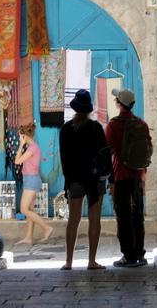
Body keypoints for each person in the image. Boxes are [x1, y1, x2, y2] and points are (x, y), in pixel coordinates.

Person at [59, 89, 109, 270]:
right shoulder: (96, 128)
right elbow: (105, 153)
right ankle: (91, 261)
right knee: (95, 219)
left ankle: (69, 261)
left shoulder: (66, 129)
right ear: (88, 110)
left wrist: (68, 181)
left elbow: (64, 158)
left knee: (73, 219)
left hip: (75, 179)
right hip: (95, 180)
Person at [105, 88, 152, 268]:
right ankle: (140, 253)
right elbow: (149, 149)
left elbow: (107, 152)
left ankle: (128, 255)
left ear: (119, 103)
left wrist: (110, 181)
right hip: (138, 176)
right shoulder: (142, 123)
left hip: (121, 175)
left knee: (123, 216)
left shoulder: (113, 125)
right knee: (137, 215)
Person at [14, 123, 54, 245]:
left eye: (21, 136)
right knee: (29, 209)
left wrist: (21, 144)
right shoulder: (33, 147)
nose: (20, 138)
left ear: (25, 136)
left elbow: (17, 161)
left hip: (31, 180)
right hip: (30, 179)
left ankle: (46, 228)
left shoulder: (32, 149)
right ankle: (29, 237)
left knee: (24, 209)